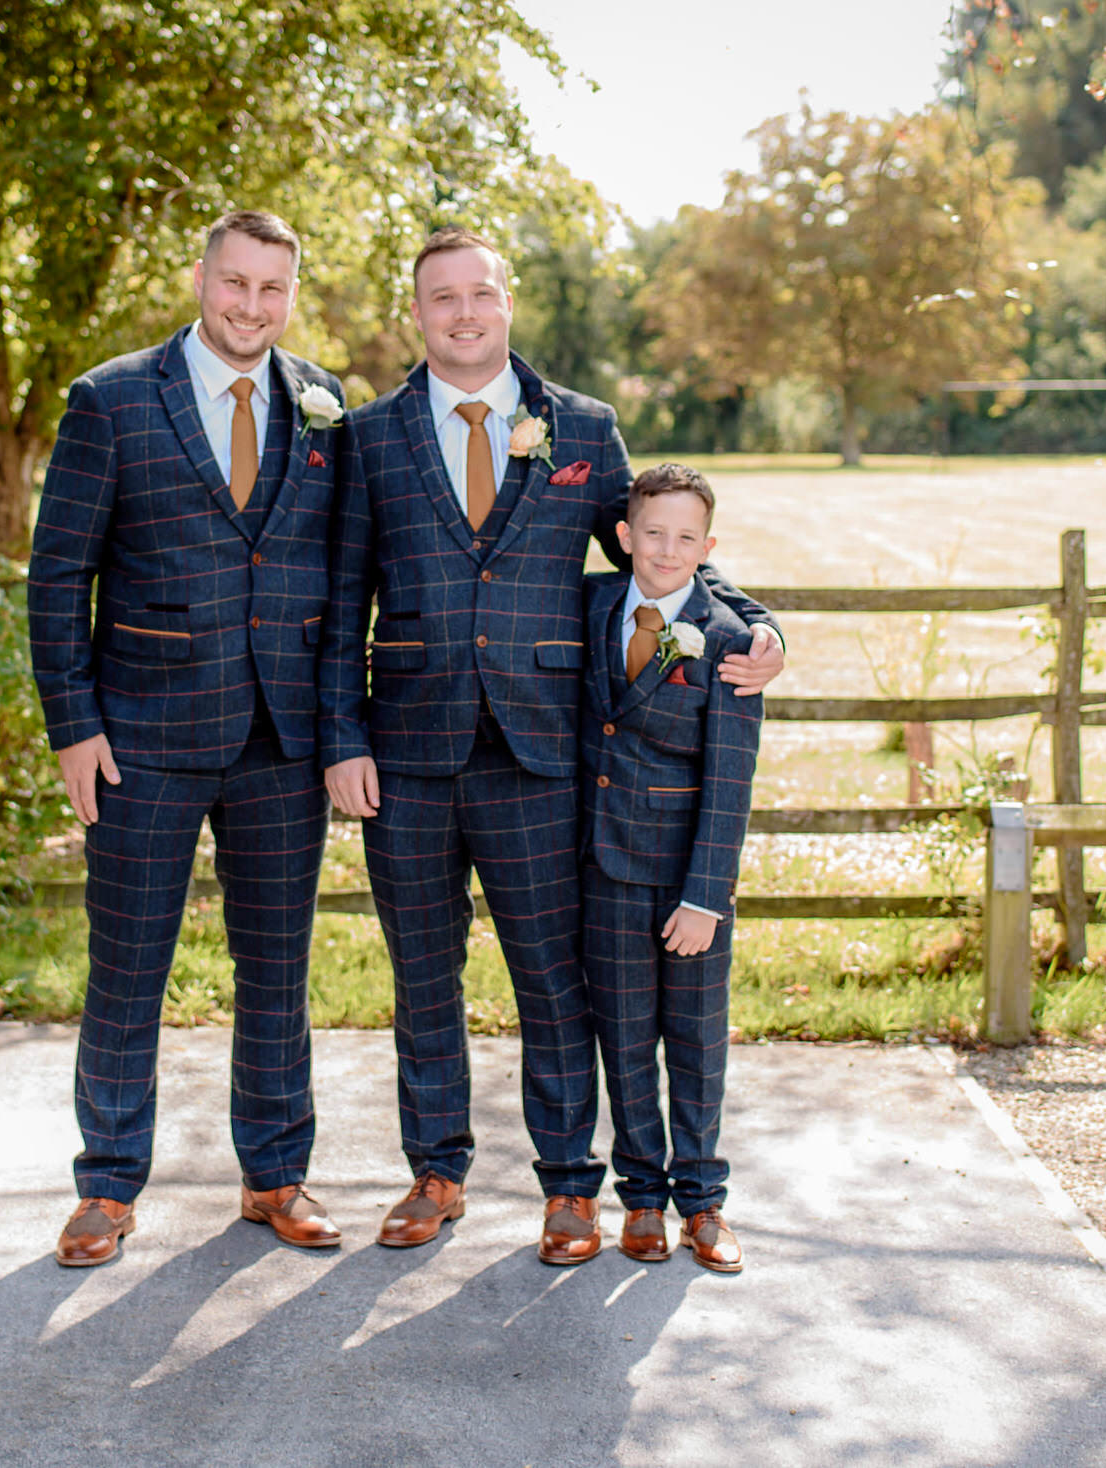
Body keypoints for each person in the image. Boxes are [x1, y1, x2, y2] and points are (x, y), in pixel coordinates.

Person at [319, 226, 784, 1265]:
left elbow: (662, 558)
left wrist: (762, 625)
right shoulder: (372, 433)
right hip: (403, 758)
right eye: (442, 297)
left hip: (541, 758)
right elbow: (342, 592)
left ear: (508, 301)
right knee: (422, 979)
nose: (464, 312)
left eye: (480, 292)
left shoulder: (580, 426)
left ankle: (569, 1186)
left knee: (554, 983)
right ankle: (435, 1171)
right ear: (418, 311)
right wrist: (342, 736)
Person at [28, 210, 347, 1266]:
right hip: (143, 736)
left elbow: (341, 575)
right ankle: (108, 1186)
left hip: (281, 740)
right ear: (200, 277)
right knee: (127, 968)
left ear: (290, 295)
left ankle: (274, 1176)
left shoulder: (325, 403)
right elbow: (57, 575)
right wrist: (73, 725)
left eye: (272, 288)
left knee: (276, 971)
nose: (251, 305)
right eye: (235, 282)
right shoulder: (112, 399)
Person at [578, 463, 764, 1274]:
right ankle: (642, 1199)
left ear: (709, 547)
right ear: (623, 538)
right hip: (603, 866)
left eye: (686, 537)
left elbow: (730, 779)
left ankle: (703, 1198)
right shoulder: (588, 609)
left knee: (693, 1041)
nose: (666, 549)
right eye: (652, 533)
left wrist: (705, 896)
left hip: (688, 878)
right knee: (622, 1038)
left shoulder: (729, 640)